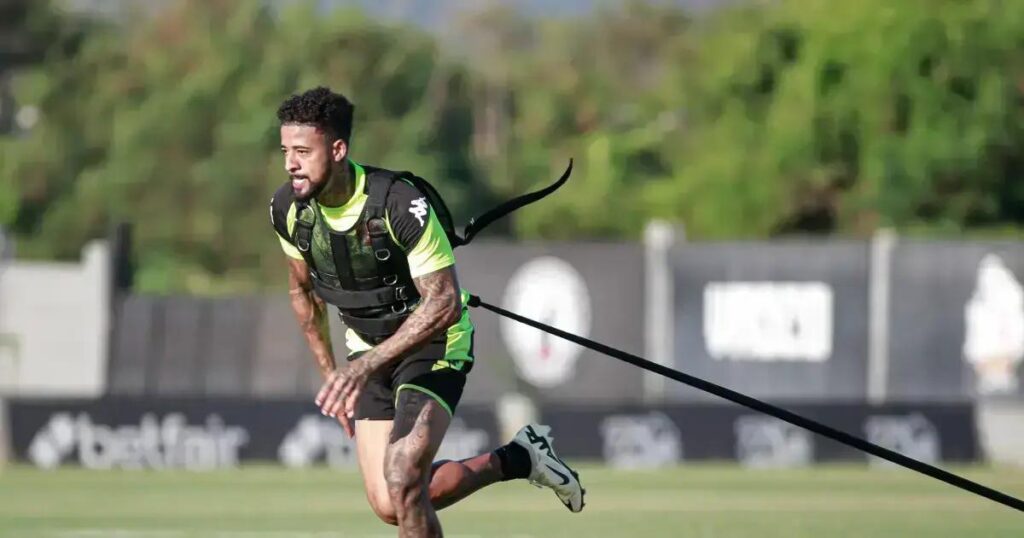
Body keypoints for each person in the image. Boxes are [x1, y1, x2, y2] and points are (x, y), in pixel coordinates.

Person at [269, 86, 584, 536]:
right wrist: (332, 373)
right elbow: (303, 293)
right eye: (285, 150)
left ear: (338, 149)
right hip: (368, 353)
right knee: (389, 501)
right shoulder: (288, 209)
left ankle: (517, 458)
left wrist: (361, 371)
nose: (290, 163)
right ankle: (520, 458)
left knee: (402, 475)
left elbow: (443, 300)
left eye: (302, 151)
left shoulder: (398, 202)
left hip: (435, 342)